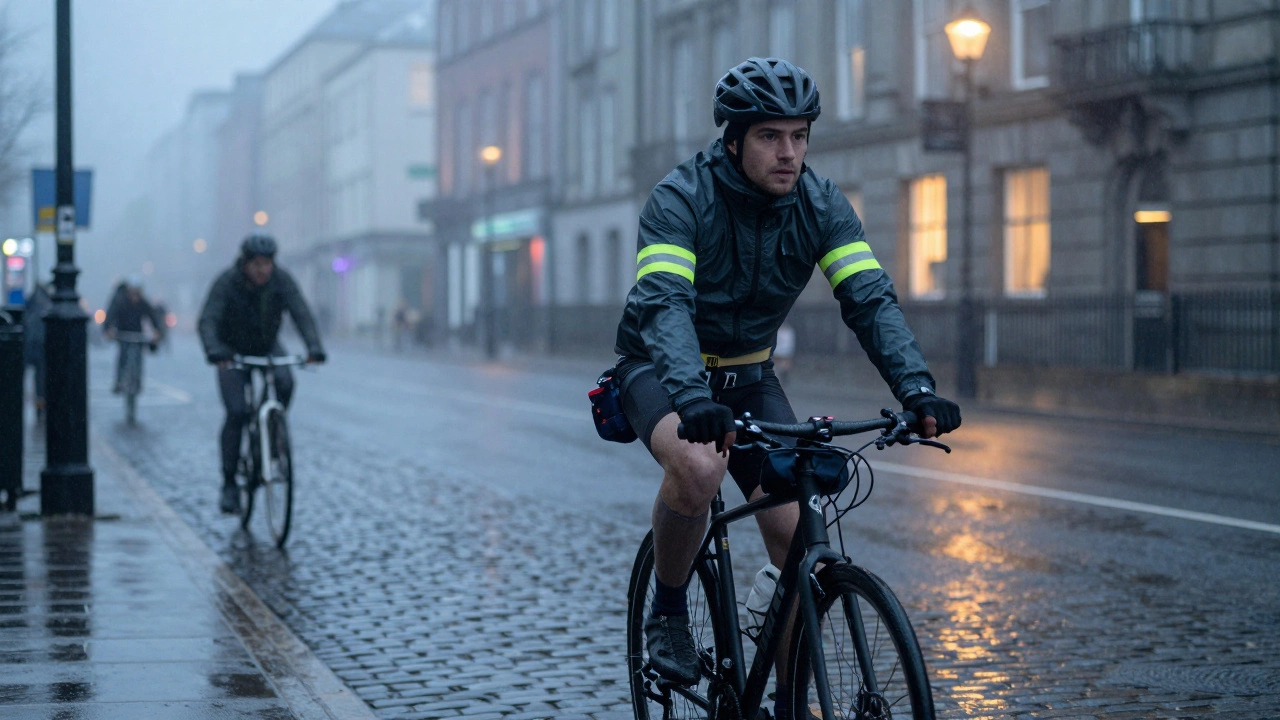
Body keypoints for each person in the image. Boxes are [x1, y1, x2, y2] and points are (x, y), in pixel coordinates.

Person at [611, 57, 961, 719]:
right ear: (735, 139)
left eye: (799, 136)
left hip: (748, 374)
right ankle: (667, 611)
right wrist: (691, 397)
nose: (789, 152)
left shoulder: (821, 204)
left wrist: (917, 389)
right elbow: (663, 307)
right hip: (659, 369)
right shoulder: (681, 198)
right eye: (772, 136)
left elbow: (869, 299)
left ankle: (787, 696)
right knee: (696, 464)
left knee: (803, 533)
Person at [198, 234, 326, 514]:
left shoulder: (281, 280)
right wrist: (214, 350)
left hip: (268, 346)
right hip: (231, 351)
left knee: (285, 381)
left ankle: (273, 433)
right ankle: (229, 484)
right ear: (244, 263)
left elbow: (301, 312)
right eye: (256, 264)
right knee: (236, 412)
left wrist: (314, 347)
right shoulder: (227, 282)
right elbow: (208, 319)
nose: (262, 270)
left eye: (267, 264)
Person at [103, 276, 165, 394]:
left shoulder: (143, 303)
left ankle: (138, 382)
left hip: (137, 335)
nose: (135, 296)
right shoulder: (120, 301)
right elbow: (111, 315)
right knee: (123, 356)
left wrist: (157, 331)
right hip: (123, 334)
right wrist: (108, 329)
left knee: (139, 359)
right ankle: (119, 381)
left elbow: (152, 316)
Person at [22, 283, 52, 420]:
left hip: (30, 345)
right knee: (41, 379)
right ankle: (41, 405)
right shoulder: (47, 304)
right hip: (41, 346)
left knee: (34, 378)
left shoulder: (31, 304)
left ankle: (38, 404)